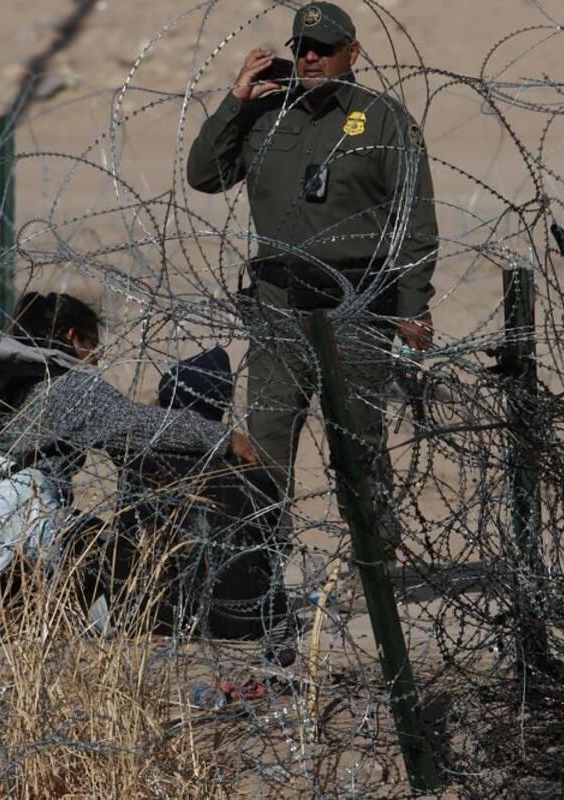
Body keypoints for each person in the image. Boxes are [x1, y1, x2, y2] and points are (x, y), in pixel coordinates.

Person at [187, 1, 439, 560]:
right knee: (268, 442)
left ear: (353, 53)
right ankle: (262, 567)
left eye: (325, 49)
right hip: (277, 305)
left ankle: (373, 561)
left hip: (355, 304)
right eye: (302, 48)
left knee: (356, 444)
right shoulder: (265, 114)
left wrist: (412, 305)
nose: (312, 58)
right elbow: (203, 175)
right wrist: (237, 100)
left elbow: (415, 224)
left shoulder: (383, 120)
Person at [0, 291, 257, 630]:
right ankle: (15, 615)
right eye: (92, 348)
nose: (95, 361)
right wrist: (225, 438)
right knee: (94, 544)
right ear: (71, 336)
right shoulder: (63, 387)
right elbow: (137, 425)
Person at [102, 347, 296, 662]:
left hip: (164, 619)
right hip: (249, 621)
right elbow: (271, 541)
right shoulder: (251, 471)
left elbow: (128, 538)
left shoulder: (141, 465)